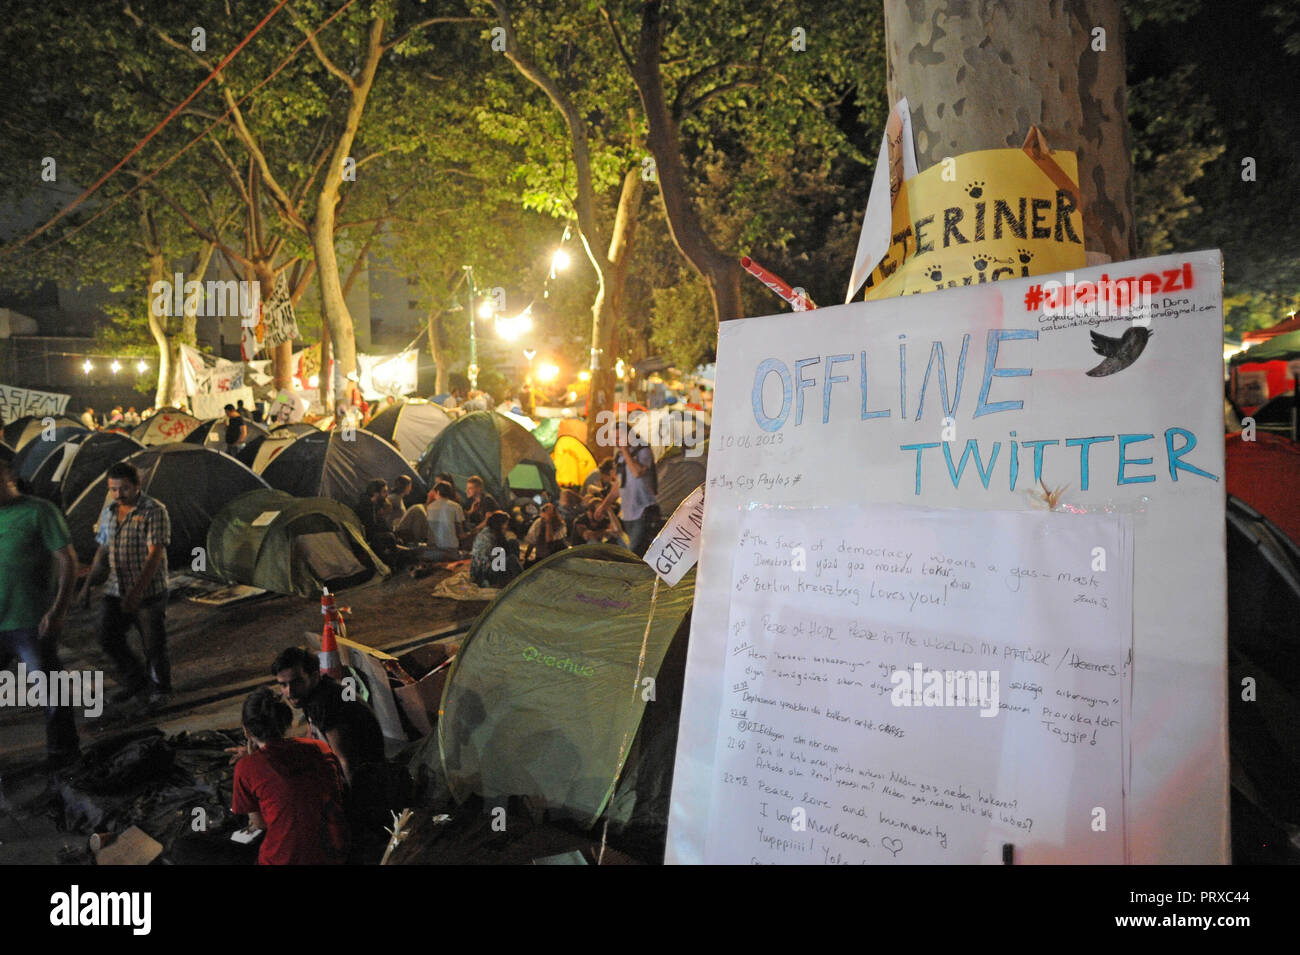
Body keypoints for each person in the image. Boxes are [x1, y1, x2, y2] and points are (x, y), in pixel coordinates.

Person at [0, 457, 80, 765]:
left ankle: (64, 757)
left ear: (8, 474)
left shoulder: (39, 511)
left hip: (31, 622)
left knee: (52, 692)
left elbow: (67, 560)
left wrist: (58, 610)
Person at [80, 461, 172, 705]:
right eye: (113, 489)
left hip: (149, 592)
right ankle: (137, 682)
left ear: (137, 486)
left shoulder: (154, 510)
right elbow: (102, 551)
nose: (118, 494)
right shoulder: (109, 511)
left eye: (124, 489)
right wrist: (87, 586)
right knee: (106, 635)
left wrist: (136, 592)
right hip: (115, 589)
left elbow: (155, 554)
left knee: (153, 644)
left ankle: (161, 690)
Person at [229, 688, 349, 865]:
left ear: (246, 731)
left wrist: (252, 760)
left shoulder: (247, 767)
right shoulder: (318, 747)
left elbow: (259, 823)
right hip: (337, 851)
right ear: (289, 722)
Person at [598, 424, 659, 557]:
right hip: (627, 513)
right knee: (626, 550)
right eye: (615, 438)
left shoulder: (643, 451)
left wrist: (625, 451)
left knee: (633, 552)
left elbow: (637, 472)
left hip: (643, 511)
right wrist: (604, 505)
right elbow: (619, 486)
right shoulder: (620, 456)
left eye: (620, 437)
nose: (617, 441)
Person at [355, 479, 414, 568]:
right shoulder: (366, 506)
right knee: (389, 537)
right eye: (384, 492)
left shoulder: (375, 504)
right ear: (375, 493)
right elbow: (371, 529)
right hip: (370, 541)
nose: (387, 494)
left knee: (398, 538)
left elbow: (382, 524)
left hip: (379, 537)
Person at [470, 511, 521, 588]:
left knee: (513, 543)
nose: (507, 526)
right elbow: (484, 562)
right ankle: (519, 580)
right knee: (512, 559)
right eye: (505, 524)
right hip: (483, 573)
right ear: (500, 524)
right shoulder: (487, 537)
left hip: (490, 566)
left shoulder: (493, 531)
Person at [422, 481, 465, 561]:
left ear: (437, 492)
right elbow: (460, 533)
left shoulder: (429, 507)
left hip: (433, 551)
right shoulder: (456, 507)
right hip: (451, 551)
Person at [459, 475, 499, 547]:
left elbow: (488, 521)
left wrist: (470, 533)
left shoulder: (487, 500)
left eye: (470, 488)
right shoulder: (471, 500)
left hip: (489, 532)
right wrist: (470, 512)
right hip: (477, 529)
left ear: (479, 489)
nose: (467, 491)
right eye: (467, 488)